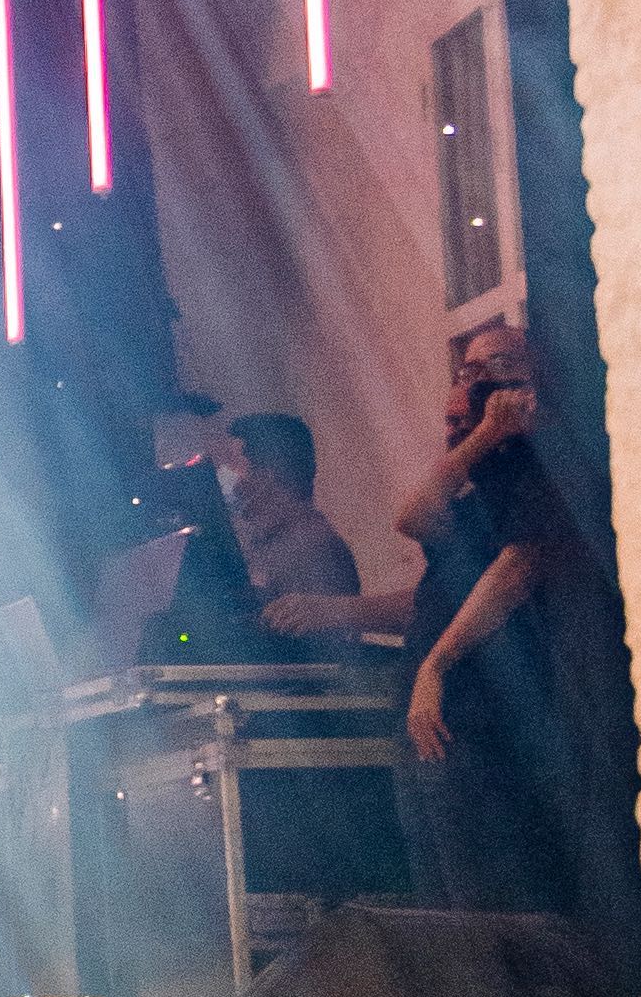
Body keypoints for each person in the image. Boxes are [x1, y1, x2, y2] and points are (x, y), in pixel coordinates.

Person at [393, 313, 618, 934]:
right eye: (466, 372)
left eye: (496, 368)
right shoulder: (480, 476)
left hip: (490, 710)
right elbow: (412, 518)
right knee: (442, 902)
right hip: (438, 707)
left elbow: (520, 565)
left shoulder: (546, 461)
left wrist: (437, 665)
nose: (476, 385)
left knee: (492, 905)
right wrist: (482, 437)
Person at [209, 408, 373, 637]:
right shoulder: (273, 541)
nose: (221, 477)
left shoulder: (314, 550)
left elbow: (317, 647)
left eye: (230, 466)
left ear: (267, 475)